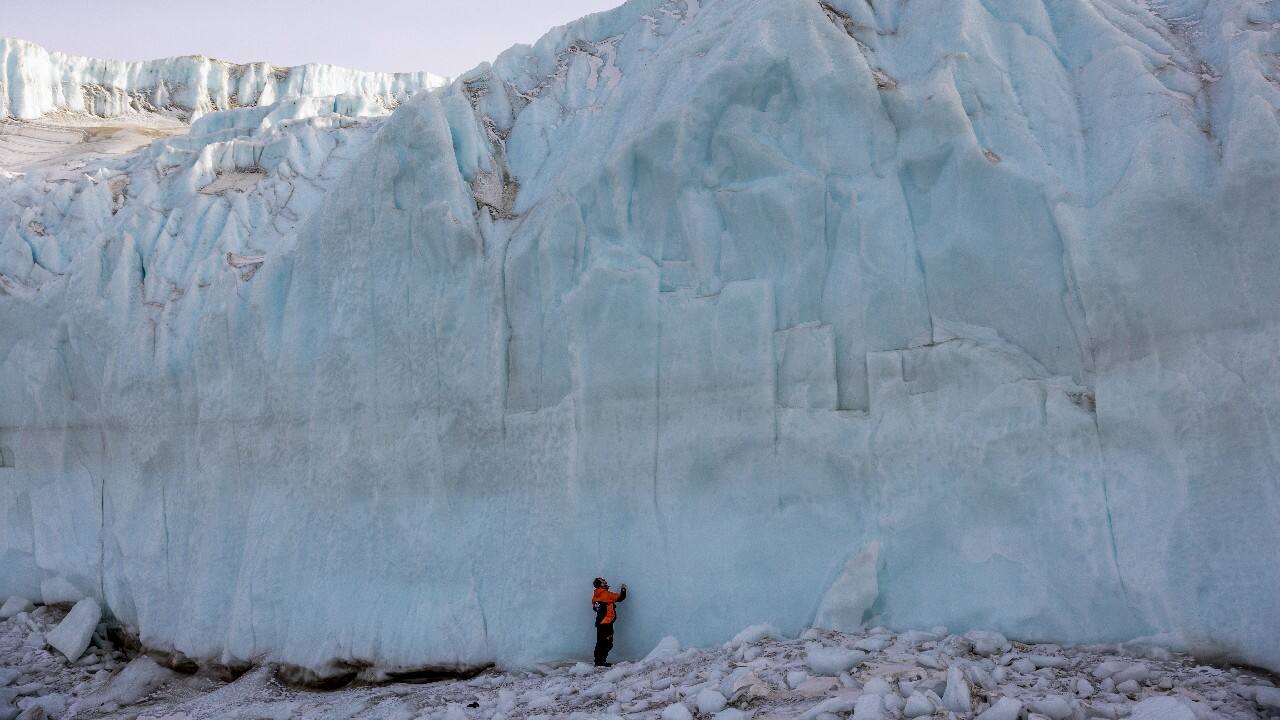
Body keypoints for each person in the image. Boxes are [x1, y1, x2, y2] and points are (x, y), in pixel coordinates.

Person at [591, 577, 627, 666]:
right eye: (603, 581)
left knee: (600, 642)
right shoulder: (606, 594)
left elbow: (595, 608)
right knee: (607, 642)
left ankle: (598, 661)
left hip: (600, 622)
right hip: (607, 622)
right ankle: (601, 662)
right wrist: (623, 589)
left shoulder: (595, 596)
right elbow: (620, 598)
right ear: (600, 584)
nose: (605, 581)